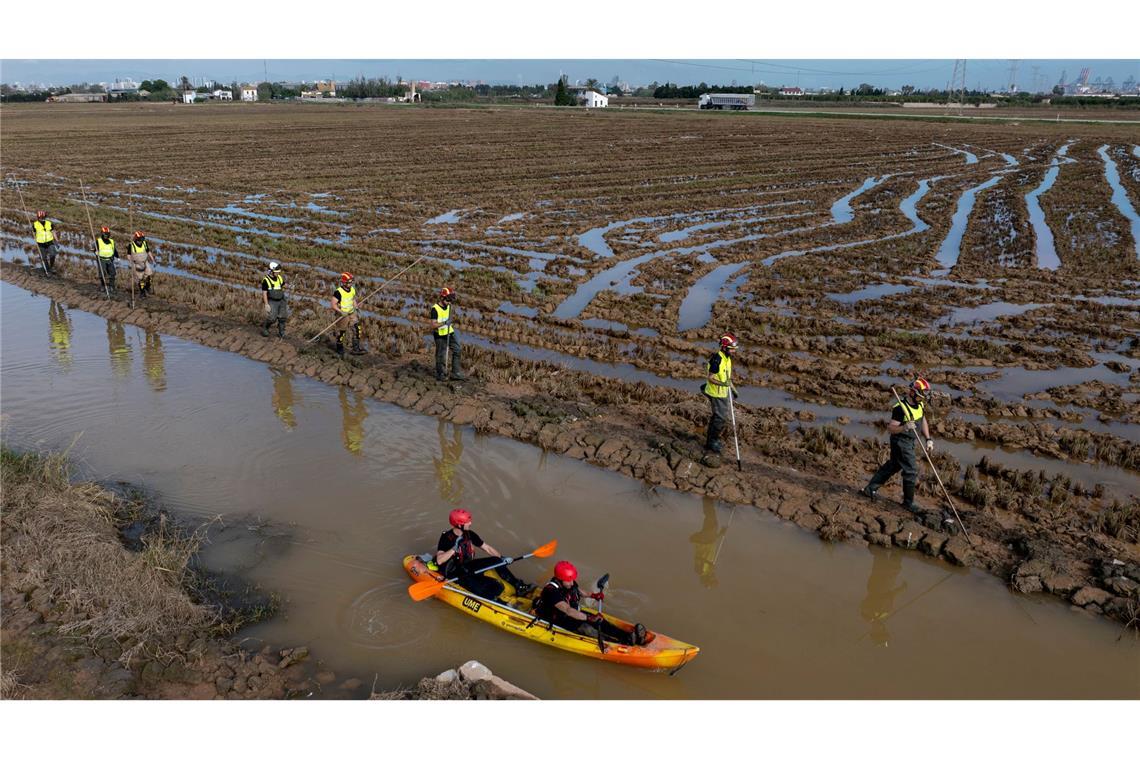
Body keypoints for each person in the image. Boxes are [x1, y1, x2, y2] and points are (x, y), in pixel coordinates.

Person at [860, 378, 934, 514]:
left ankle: (870, 489)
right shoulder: (900, 408)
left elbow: (923, 420)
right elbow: (891, 428)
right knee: (911, 470)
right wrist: (904, 427)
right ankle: (908, 503)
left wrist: (928, 439)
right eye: (920, 395)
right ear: (912, 393)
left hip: (910, 442)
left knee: (894, 465)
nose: (922, 399)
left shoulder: (920, 405)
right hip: (901, 441)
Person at [533, 561, 648, 646]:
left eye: (572, 579)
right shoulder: (551, 592)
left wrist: (593, 595)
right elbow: (568, 610)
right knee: (588, 629)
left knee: (602, 622)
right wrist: (588, 618)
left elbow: (578, 591)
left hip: (574, 613)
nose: (572, 582)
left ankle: (627, 636)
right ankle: (621, 644)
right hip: (561, 619)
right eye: (569, 580)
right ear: (560, 579)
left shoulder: (568, 581)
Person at [435, 508, 533, 600]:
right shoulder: (446, 537)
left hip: (468, 566)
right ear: (459, 525)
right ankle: (492, 600)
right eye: (467, 522)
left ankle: (518, 586)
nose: (470, 523)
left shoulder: (469, 534)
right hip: (456, 573)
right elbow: (439, 560)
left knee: (497, 560)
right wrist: (454, 548)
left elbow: (487, 548)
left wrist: (503, 559)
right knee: (496, 587)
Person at [702, 332, 739, 455]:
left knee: (717, 417)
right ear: (724, 347)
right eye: (732, 349)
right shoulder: (716, 360)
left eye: (734, 349)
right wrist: (724, 385)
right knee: (720, 418)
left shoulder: (727, 358)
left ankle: (710, 440)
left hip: (723, 393)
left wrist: (733, 389)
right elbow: (710, 378)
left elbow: (727, 378)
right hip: (715, 393)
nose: (734, 351)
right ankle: (712, 441)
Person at [426, 286, 464, 381]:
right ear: (442, 298)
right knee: (440, 355)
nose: (449, 302)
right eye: (448, 300)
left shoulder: (449, 306)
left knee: (457, 349)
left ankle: (455, 372)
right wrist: (444, 323)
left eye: (451, 300)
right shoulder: (435, 309)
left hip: (449, 332)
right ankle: (441, 373)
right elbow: (433, 325)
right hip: (439, 335)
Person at [331, 272, 364, 356]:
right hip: (342, 315)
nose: (351, 283)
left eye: (351, 281)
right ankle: (339, 349)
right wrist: (341, 312)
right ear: (344, 282)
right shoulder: (338, 292)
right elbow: (333, 305)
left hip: (351, 312)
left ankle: (356, 349)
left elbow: (352, 299)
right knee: (342, 333)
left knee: (357, 329)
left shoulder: (352, 289)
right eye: (349, 282)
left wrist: (356, 306)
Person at [260, 261, 287, 337]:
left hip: (281, 300)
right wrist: (266, 304)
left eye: (279, 272)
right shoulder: (266, 280)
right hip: (272, 301)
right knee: (272, 318)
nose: (278, 273)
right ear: (271, 271)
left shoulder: (279, 278)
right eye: (276, 272)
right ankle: (265, 328)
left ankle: (281, 332)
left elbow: (283, 286)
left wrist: (290, 286)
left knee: (282, 317)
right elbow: (264, 293)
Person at [127, 231, 157, 298]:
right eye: (140, 240)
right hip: (137, 263)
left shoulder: (144, 243)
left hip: (145, 262)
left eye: (142, 239)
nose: (141, 241)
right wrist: (130, 263)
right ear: (136, 239)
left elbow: (148, 251)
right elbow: (129, 255)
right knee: (141, 279)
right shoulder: (131, 245)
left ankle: (147, 287)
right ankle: (142, 292)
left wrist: (153, 260)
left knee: (149, 275)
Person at [94, 226, 118, 294]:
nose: (106, 235)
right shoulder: (98, 241)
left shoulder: (112, 241)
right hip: (101, 259)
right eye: (105, 234)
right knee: (102, 274)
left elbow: (114, 250)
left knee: (112, 273)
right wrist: (95, 252)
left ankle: (112, 286)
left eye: (107, 234)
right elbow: (95, 250)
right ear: (102, 233)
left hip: (110, 260)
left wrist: (117, 257)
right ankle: (103, 286)